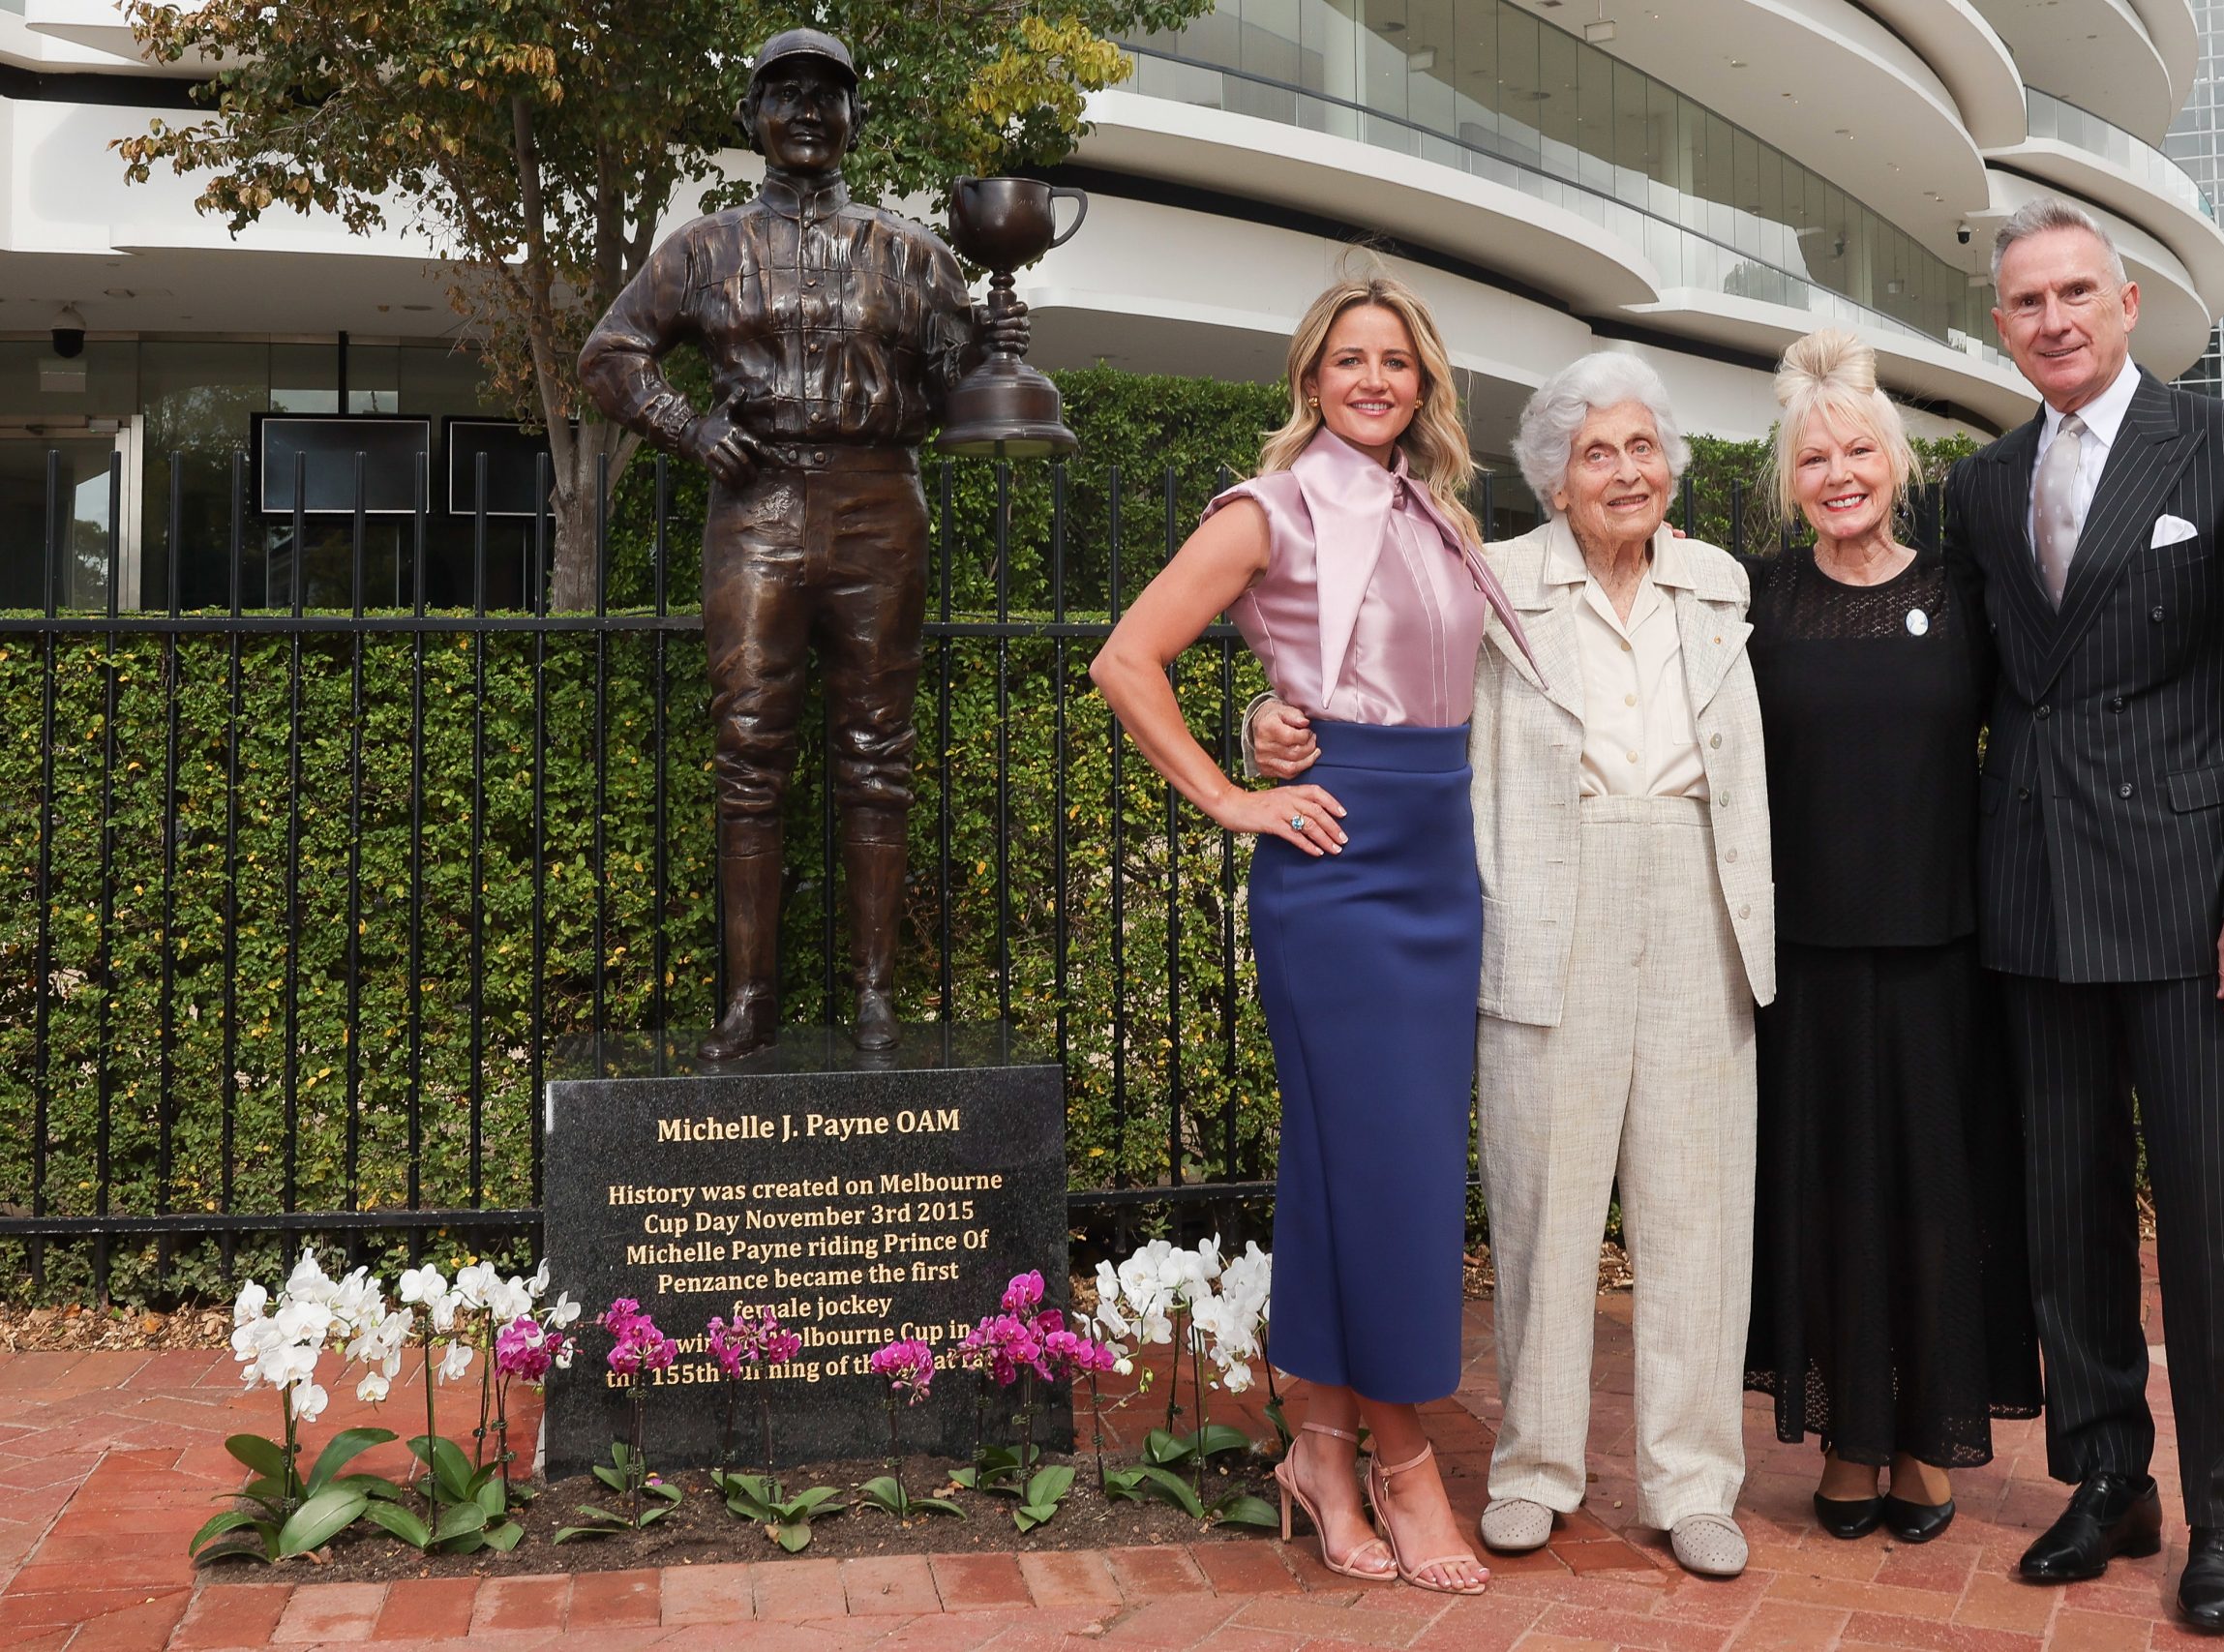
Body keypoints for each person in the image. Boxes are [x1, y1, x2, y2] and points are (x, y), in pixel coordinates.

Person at [1252, 350, 1776, 1579]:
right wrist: (1265, 727)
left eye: (1644, 447)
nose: (1626, 470)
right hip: (1550, 895)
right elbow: (1370, 689)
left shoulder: (1717, 582)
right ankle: (1536, 1466)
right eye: (1597, 451)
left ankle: (1693, 1481)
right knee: (1542, 1201)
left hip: (1700, 891)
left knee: (1698, 1207)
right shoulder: (1485, 577)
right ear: (1551, 477)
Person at [1090, 274, 1527, 1596]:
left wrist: (1274, 721)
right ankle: (1406, 1462)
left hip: (1438, 871)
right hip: (1333, 876)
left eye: (1398, 359)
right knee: (1387, 1177)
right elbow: (1127, 655)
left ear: (1425, 381)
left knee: (1350, 1173)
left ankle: (1322, 1451)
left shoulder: (1438, 514)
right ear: (1311, 378)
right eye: (1351, 359)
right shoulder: (1265, 508)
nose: (1376, 378)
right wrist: (1237, 789)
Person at [1948, 197, 2224, 1635]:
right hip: (2037, 899)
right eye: (2024, 302)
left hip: (2192, 910)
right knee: (2066, 1215)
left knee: (2218, 1228)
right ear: (2002, 327)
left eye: (2074, 293)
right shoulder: (1984, 486)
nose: (2051, 318)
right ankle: (2109, 1474)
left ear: (2126, 305)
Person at [580, 29, 1025, 1059]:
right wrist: (690, 429)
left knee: (878, 757)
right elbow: (611, 354)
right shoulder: (704, 247)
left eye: (829, 96)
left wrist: (995, 350)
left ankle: (874, 996)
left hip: (880, 503)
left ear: (857, 120)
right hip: (761, 505)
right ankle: (751, 1001)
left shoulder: (915, 252)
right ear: (752, 120)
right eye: (787, 94)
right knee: (749, 753)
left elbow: (961, 390)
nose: (810, 111)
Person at [1736, 330, 2042, 1546]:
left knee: (1931, 1199)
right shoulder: (1752, 598)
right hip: (1802, 962)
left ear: (1897, 461)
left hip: (1941, 957)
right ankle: (1848, 1443)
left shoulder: (1964, 594)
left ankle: (1924, 1442)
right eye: (1815, 458)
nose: (1839, 472)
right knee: (1824, 1200)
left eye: (1858, 447)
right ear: (1790, 478)